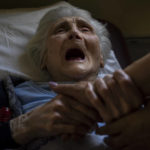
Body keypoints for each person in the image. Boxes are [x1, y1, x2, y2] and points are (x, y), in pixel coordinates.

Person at [0, 3, 148, 150]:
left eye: (85, 29)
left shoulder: (137, 98)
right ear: (43, 58)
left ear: (101, 57)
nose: (75, 34)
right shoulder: (9, 93)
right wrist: (23, 125)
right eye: (60, 30)